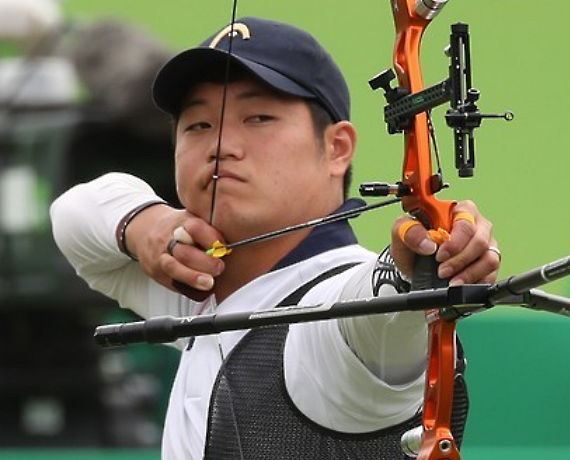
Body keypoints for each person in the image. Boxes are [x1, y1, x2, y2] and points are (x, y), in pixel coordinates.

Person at [50, 17, 500, 459]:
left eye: (259, 118)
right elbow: (73, 213)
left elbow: (378, 313)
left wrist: (416, 265)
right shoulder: (196, 288)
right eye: (198, 125)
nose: (221, 144)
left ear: (337, 148)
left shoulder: (333, 312)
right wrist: (145, 225)